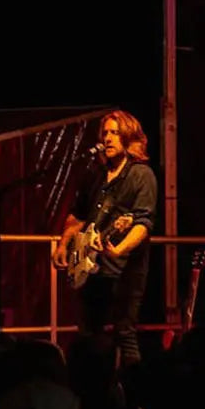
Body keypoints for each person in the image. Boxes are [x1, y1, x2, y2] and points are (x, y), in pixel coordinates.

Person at [52, 110, 157, 378]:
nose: (108, 139)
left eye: (114, 133)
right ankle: (89, 388)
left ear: (129, 137)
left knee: (125, 331)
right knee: (88, 333)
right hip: (92, 268)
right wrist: (64, 243)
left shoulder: (141, 175)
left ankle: (135, 391)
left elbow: (142, 223)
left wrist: (119, 248)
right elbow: (77, 216)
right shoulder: (96, 174)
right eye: (105, 133)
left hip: (125, 269)